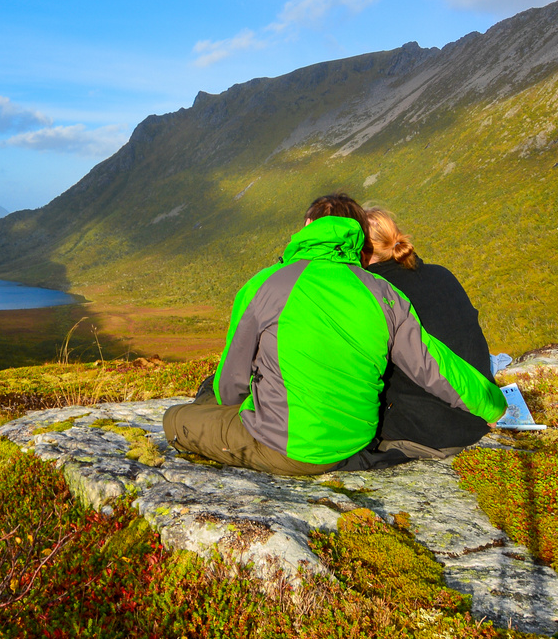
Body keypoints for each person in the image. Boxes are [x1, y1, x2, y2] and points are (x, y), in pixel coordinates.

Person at [162, 193, 506, 476]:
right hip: (357, 444)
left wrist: (244, 415)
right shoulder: (383, 291)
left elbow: (232, 383)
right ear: (357, 233)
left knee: (176, 419)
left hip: (290, 450)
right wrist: (493, 405)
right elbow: (434, 366)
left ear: (308, 226)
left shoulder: (264, 284)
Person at [338, 208, 496, 468]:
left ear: (358, 249)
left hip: (420, 434)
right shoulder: (442, 274)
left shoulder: (373, 294)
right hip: (474, 423)